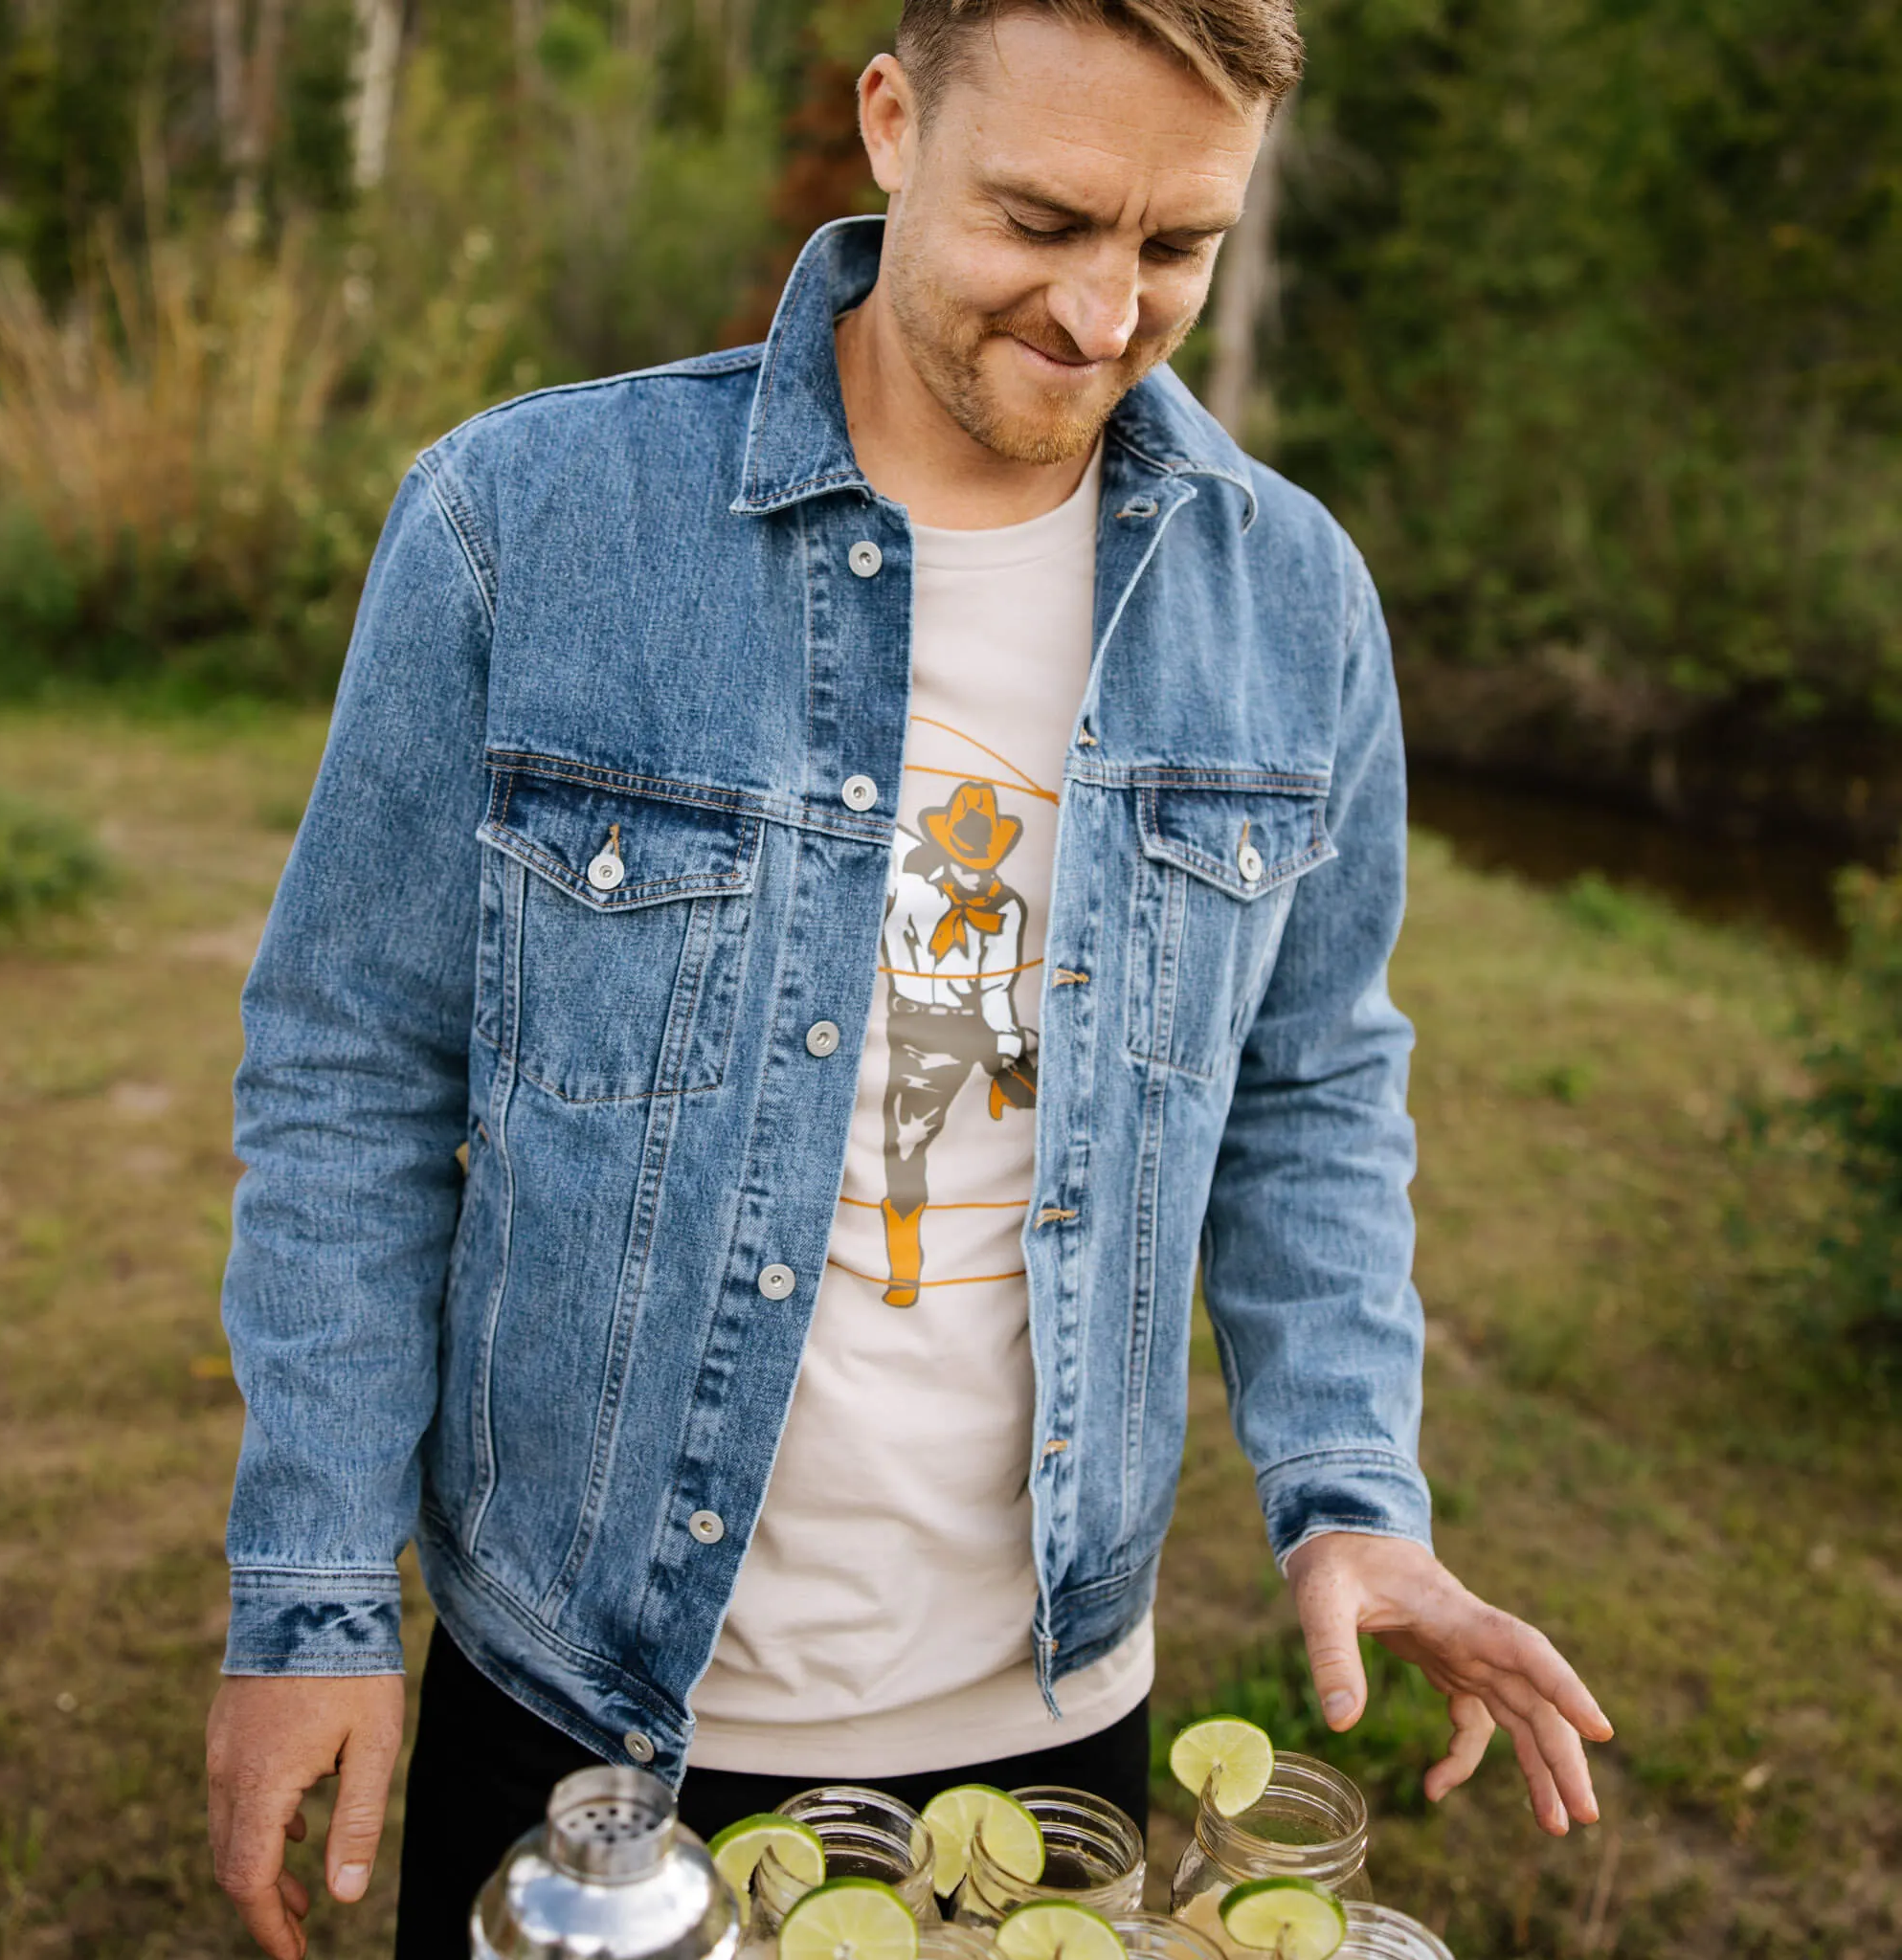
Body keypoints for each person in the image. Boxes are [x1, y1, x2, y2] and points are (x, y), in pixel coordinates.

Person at [204, 4, 1614, 1956]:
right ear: (891, 122)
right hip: (585, 1707)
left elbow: (1306, 1091)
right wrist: (312, 1597)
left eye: (1177, 246)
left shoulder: (1290, 603)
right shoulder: (523, 523)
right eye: (1042, 219)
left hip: (1049, 1737)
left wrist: (1354, 1490)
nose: (1104, 314)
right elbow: (349, 1071)